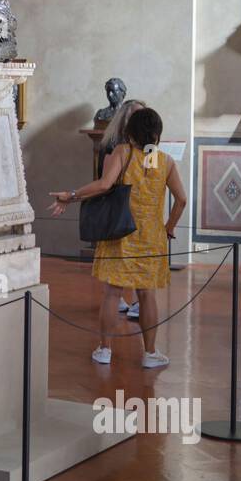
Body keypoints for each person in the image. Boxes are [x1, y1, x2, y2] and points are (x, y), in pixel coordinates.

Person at [49, 106, 187, 369]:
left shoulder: (123, 153)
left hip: (120, 233)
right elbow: (181, 200)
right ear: (157, 133)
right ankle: (150, 353)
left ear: (130, 131)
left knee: (112, 293)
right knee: (147, 295)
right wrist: (169, 227)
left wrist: (71, 195)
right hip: (151, 237)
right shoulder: (166, 161)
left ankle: (105, 350)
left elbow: (103, 185)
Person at [97, 97, 146, 320]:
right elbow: (105, 181)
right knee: (116, 256)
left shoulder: (148, 146)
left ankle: (136, 301)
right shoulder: (112, 145)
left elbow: (150, 176)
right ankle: (118, 299)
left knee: (137, 258)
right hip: (118, 205)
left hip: (139, 206)